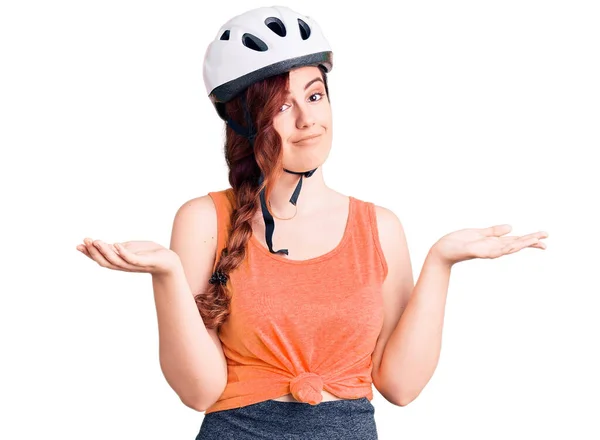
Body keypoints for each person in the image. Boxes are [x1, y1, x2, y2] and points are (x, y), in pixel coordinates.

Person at [75, 5, 549, 439]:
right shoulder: (204, 219)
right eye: (281, 106)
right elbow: (200, 392)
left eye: (315, 95)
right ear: (245, 122)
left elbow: (401, 387)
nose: (308, 119)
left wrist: (441, 261)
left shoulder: (379, 227)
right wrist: (169, 277)